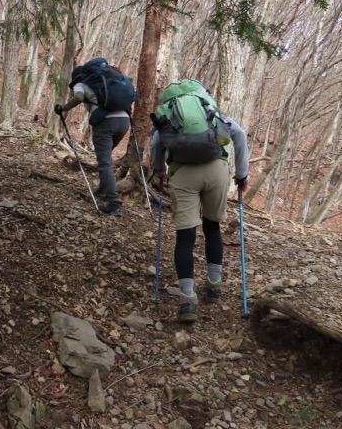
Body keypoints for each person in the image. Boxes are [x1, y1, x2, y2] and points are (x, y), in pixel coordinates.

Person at [150, 85, 249, 323]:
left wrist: (158, 168)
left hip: (183, 173)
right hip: (217, 170)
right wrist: (242, 175)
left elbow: (156, 144)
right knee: (212, 227)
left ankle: (187, 299)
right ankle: (214, 284)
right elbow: (239, 134)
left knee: (185, 237)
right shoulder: (210, 110)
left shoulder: (169, 113)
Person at [54, 65, 131, 216]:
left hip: (105, 122)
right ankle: (103, 189)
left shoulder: (81, 83)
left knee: (105, 161)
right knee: (106, 157)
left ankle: (114, 203)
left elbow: (78, 97)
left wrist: (63, 108)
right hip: (124, 120)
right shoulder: (107, 80)